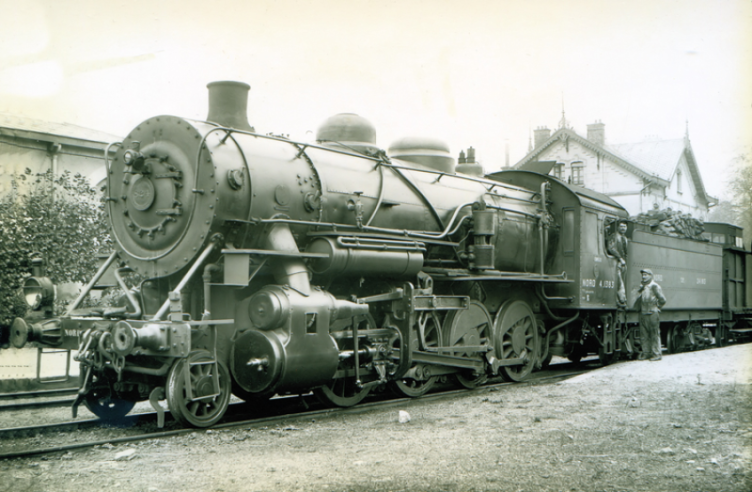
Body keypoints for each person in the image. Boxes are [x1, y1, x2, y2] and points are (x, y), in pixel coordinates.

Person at [634, 268, 667, 361]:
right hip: (644, 314)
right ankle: (647, 353)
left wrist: (658, 308)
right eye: (643, 275)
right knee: (644, 335)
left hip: (652, 313)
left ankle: (656, 354)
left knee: (654, 334)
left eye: (646, 275)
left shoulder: (654, 286)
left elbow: (663, 300)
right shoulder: (643, 286)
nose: (643, 277)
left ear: (650, 276)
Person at [607, 221, 629, 307]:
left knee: (622, 281)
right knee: (619, 283)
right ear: (618, 227)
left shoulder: (625, 238)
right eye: (621, 226)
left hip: (623, 264)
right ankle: (621, 300)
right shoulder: (614, 236)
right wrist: (620, 258)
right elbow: (611, 248)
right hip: (616, 263)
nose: (623, 228)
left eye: (624, 226)